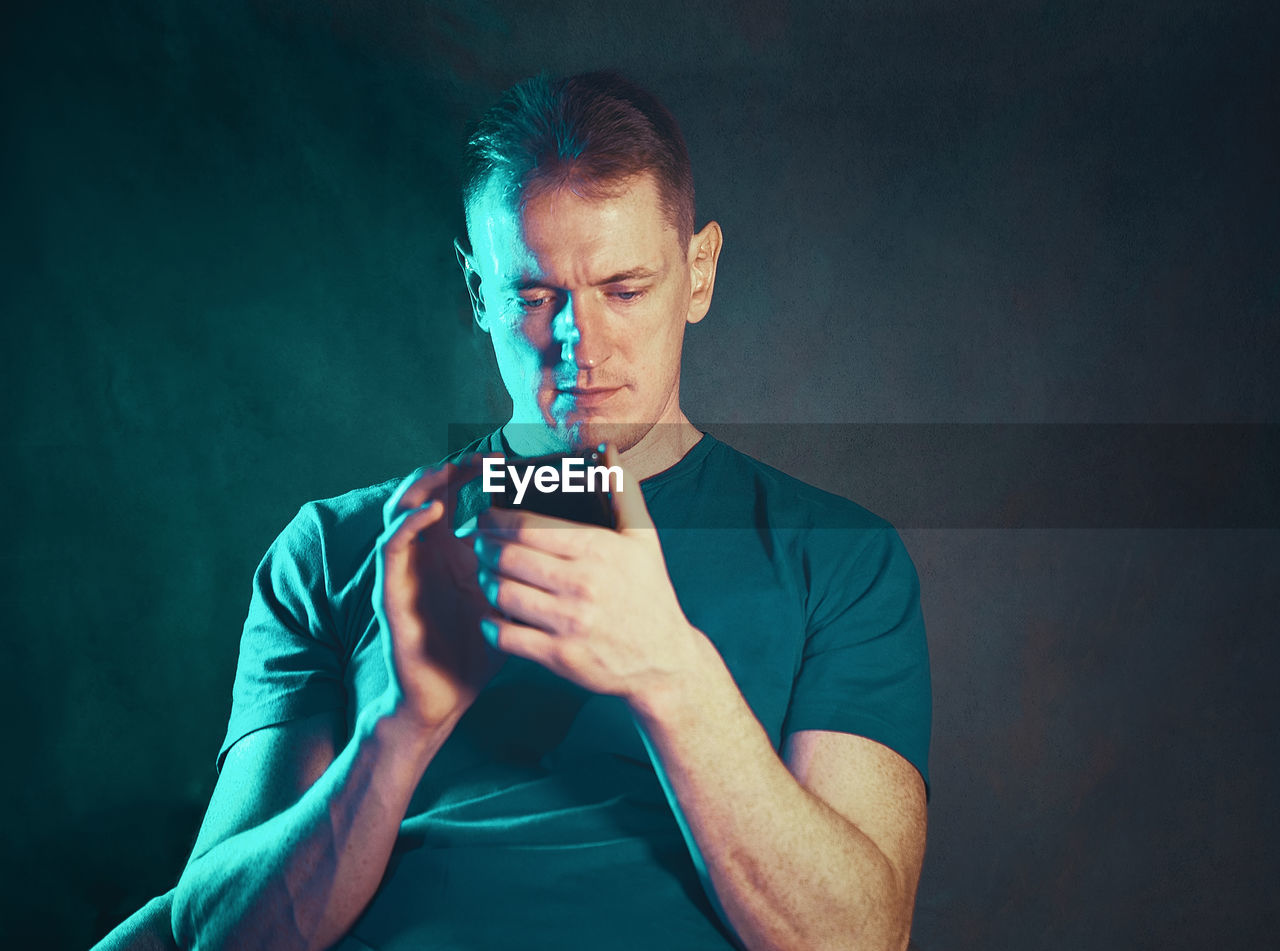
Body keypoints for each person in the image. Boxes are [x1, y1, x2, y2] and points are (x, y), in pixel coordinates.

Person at [112, 70, 931, 951]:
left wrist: (668, 671)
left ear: (698, 273)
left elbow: (860, 938)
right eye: (535, 298)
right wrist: (396, 729)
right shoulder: (335, 549)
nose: (582, 342)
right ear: (476, 293)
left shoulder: (840, 558)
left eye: (624, 288)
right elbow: (211, 935)